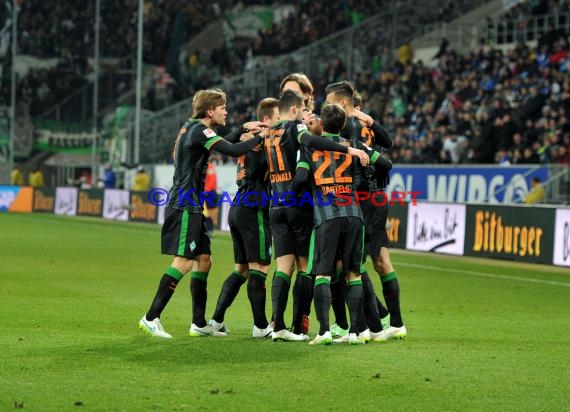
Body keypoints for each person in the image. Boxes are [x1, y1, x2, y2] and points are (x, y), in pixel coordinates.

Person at [138, 88, 269, 339]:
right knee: (184, 261)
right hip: (185, 204)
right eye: (222, 107)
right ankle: (151, 317)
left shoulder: (192, 128)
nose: (226, 111)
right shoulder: (200, 130)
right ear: (210, 110)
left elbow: (224, 144)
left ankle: (199, 323)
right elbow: (232, 150)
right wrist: (261, 137)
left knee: (204, 260)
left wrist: (242, 128)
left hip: (191, 204)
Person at [264, 90, 369, 342]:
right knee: (312, 268)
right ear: (294, 110)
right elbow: (309, 147)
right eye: (303, 109)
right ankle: (306, 327)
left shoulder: (268, 132)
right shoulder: (303, 133)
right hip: (311, 208)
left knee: (282, 267)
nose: (306, 115)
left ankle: (277, 325)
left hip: (276, 204)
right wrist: (352, 153)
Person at [291, 103, 392, 345]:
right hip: (354, 215)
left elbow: (301, 178)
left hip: (326, 217)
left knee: (322, 275)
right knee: (354, 275)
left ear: (322, 124)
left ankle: (325, 330)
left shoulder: (309, 147)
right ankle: (358, 333)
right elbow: (386, 164)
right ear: (344, 125)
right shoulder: (355, 146)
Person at [325, 81, 406, 342]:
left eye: (330, 101)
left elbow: (382, 149)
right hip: (371, 198)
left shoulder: (348, 125)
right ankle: (387, 322)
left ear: (343, 102)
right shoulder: (357, 123)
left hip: (363, 198)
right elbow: (386, 145)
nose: (326, 106)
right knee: (374, 262)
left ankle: (376, 326)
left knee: (357, 265)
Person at [208, 97, 279, 338]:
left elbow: (220, 145)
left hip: (239, 205)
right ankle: (261, 326)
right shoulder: (264, 141)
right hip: (255, 207)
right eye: (278, 117)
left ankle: (216, 320)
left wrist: (242, 131)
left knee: (242, 269)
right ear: (267, 119)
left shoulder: (244, 140)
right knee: (260, 268)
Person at [203, 161, 218, 236]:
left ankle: (210, 230)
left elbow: (212, 181)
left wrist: (206, 190)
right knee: (207, 212)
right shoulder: (208, 167)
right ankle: (208, 229)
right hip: (208, 192)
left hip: (209, 192)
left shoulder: (209, 167)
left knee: (210, 212)